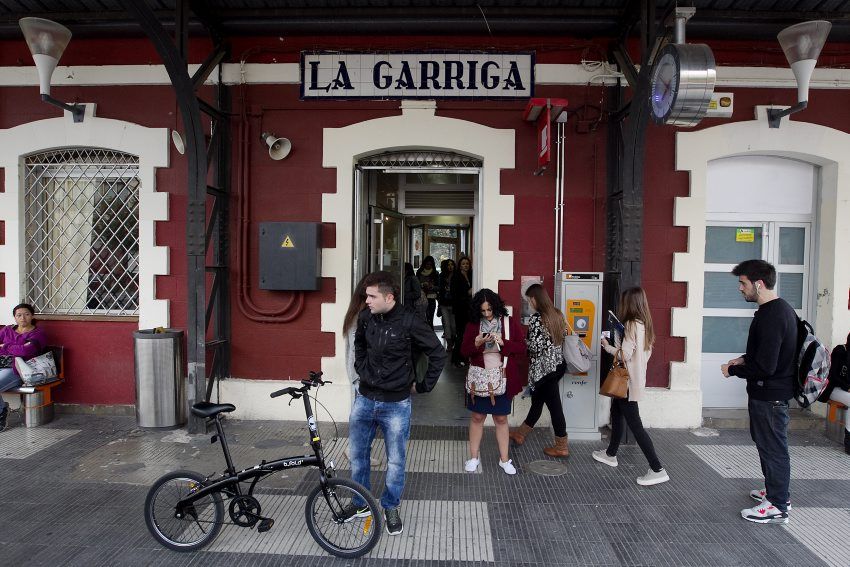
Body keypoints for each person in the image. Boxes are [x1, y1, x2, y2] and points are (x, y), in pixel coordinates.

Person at [351, 271, 447, 536]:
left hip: (396, 404)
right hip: (364, 399)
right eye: (366, 296)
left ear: (389, 297)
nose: (366, 301)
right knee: (358, 457)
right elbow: (359, 346)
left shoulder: (410, 322)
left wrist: (423, 385)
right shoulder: (365, 318)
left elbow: (438, 354)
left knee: (396, 461)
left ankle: (390, 505)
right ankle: (359, 503)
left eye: (372, 296)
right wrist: (362, 370)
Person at [721, 260, 797, 524]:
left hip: (771, 395)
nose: (740, 289)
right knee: (768, 446)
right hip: (768, 394)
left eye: (743, 283)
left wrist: (734, 371)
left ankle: (777, 505)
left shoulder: (774, 315)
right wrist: (743, 360)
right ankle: (776, 492)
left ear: (759, 284)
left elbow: (766, 366)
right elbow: (765, 353)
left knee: (774, 448)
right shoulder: (777, 310)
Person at [593, 287, 670, 486]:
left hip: (626, 381)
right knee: (617, 415)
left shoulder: (630, 324)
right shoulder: (645, 324)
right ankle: (610, 454)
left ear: (629, 303)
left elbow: (625, 354)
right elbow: (644, 354)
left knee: (636, 426)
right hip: (634, 380)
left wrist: (607, 345)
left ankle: (657, 468)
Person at [460, 289, 526, 475]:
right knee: (477, 417)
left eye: (490, 310)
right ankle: (473, 457)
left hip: (503, 377)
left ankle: (505, 459)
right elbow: (463, 351)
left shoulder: (508, 322)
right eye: (483, 311)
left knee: (501, 418)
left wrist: (504, 343)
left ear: (496, 307)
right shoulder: (473, 325)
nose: (487, 314)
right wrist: (477, 344)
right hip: (479, 378)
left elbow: (521, 348)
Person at [509, 284, 570, 457]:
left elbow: (535, 347)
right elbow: (562, 337)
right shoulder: (558, 314)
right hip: (556, 366)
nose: (529, 303)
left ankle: (561, 446)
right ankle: (520, 435)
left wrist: (523, 342)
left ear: (535, 299)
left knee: (555, 408)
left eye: (529, 299)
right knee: (537, 403)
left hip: (543, 371)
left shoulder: (537, 318)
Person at [0, 303, 47, 431]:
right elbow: (20, 349)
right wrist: (17, 348)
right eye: (19, 315)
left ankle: (1, 411)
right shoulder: (7, 330)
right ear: (14, 317)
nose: (23, 318)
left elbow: (26, 351)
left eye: (26, 314)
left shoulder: (38, 334)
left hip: (19, 370)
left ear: (32, 316)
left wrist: (5, 346)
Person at [451, 256, 473, 366]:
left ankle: (464, 356)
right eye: (463, 264)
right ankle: (456, 358)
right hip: (460, 309)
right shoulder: (456, 277)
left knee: (467, 334)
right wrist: (467, 293)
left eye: (467, 264)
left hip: (469, 309)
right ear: (459, 265)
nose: (466, 266)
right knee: (460, 334)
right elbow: (454, 294)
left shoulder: (471, 275)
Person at [438, 259, 456, 351]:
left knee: (453, 325)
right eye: (448, 265)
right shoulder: (441, 276)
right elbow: (440, 289)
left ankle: (453, 341)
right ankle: (449, 344)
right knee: (446, 324)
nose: (450, 266)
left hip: (454, 304)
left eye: (452, 264)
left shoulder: (457, 276)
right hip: (444, 304)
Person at [416, 256, 439, 328]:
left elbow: (438, 287)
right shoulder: (419, 272)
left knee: (430, 316)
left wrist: (432, 287)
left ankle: (430, 331)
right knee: (422, 316)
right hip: (421, 297)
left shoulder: (435, 273)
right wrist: (422, 284)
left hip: (431, 297)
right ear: (424, 264)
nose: (428, 266)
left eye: (430, 264)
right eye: (427, 264)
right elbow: (416, 285)